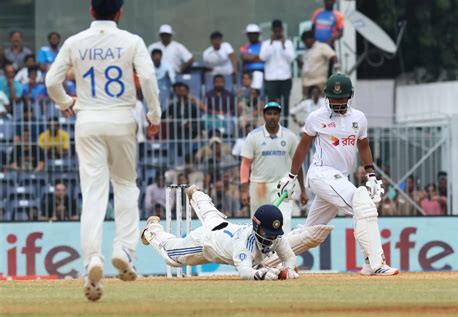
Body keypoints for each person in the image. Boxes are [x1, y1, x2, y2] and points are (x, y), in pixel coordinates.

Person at [45, 0, 161, 301]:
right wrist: (154, 115)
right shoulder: (132, 41)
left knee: (94, 195)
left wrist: (66, 101)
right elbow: (148, 79)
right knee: (125, 186)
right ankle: (123, 248)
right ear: (119, 13)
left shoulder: (75, 42)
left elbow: (51, 81)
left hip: (88, 120)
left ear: (91, 11)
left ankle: (92, 260)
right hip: (122, 119)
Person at [276, 73, 399, 276]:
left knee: (311, 233)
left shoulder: (358, 118)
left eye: (342, 98)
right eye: (333, 98)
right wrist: (290, 177)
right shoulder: (316, 117)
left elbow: (364, 146)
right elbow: (302, 148)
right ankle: (375, 263)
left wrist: (371, 175)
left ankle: (270, 261)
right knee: (363, 204)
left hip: (339, 179)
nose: (337, 102)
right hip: (321, 174)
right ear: (327, 96)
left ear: (350, 96)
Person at [141, 185, 299, 281]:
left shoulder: (276, 237)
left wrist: (288, 269)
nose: (271, 237)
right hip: (206, 242)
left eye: (273, 233)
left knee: (211, 215)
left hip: (222, 226)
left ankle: (196, 194)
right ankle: (152, 229)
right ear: (257, 227)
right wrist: (262, 275)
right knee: (172, 258)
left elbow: (290, 258)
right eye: (268, 233)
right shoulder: (245, 243)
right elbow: (245, 273)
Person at [240, 102, 307, 233]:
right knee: (258, 225)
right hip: (259, 187)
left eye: (275, 114)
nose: (272, 117)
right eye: (269, 113)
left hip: (282, 187)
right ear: (264, 116)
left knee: (284, 222)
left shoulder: (290, 136)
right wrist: (244, 190)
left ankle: (281, 254)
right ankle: (260, 253)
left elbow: (298, 164)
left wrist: (303, 190)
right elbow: (245, 163)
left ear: (279, 116)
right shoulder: (253, 136)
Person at [259, 20, 295, 126]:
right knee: (271, 104)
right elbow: (262, 57)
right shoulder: (266, 43)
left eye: (279, 30)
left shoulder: (288, 43)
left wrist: (283, 45)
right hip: (271, 78)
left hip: (285, 77)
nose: (278, 33)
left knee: (285, 103)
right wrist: (271, 43)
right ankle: (272, 125)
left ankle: (285, 125)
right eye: (276, 31)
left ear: (282, 30)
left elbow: (291, 58)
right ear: (272, 31)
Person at [300, 30, 337, 98]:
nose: (305, 43)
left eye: (305, 41)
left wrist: (336, 67)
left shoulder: (322, 47)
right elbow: (304, 66)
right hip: (306, 84)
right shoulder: (306, 51)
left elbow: (333, 56)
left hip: (319, 83)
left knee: (320, 105)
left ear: (311, 38)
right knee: (308, 106)